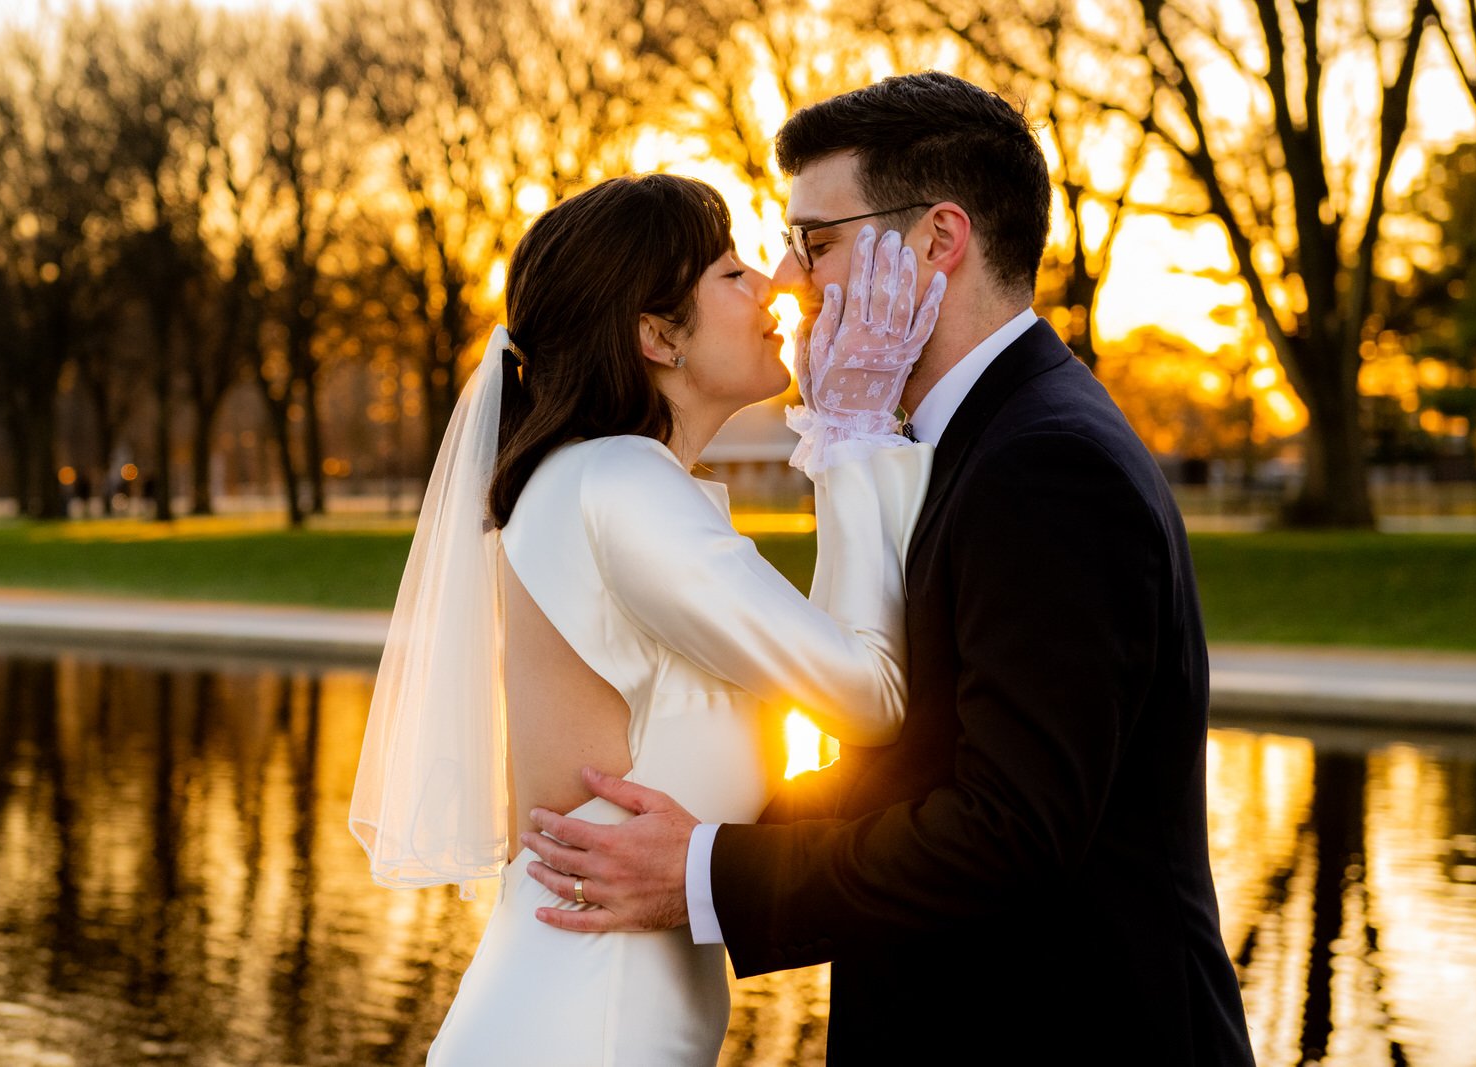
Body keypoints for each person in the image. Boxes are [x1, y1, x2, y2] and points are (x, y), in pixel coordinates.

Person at [522, 73, 1257, 1064]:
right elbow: (909, 758)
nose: (789, 279)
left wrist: (704, 869)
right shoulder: (969, 440)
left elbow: (1011, 828)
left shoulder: (1046, 460)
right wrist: (702, 837)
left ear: (937, 242)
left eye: (816, 242)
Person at [347, 173, 944, 1064]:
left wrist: (844, 442)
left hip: (582, 1011)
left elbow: (827, 663)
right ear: (657, 334)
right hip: (586, 1025)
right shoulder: (620, 485)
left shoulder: (609, 480)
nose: (778, 284)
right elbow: (868, 692)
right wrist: (852, 440)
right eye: (733, 272)